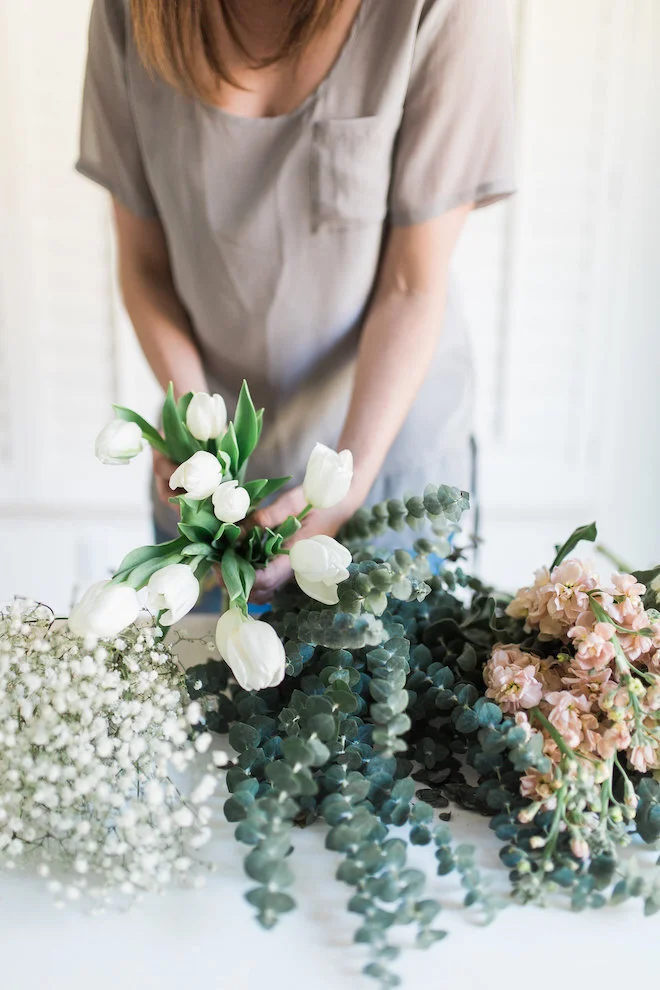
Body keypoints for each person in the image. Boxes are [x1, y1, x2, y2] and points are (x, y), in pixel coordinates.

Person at [76, 0, 515, 602]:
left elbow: (412, 286)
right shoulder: (131, 11)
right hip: (209, 477)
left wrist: (340, 492)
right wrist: (193, 433)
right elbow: (144, 266)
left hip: (384, 460)